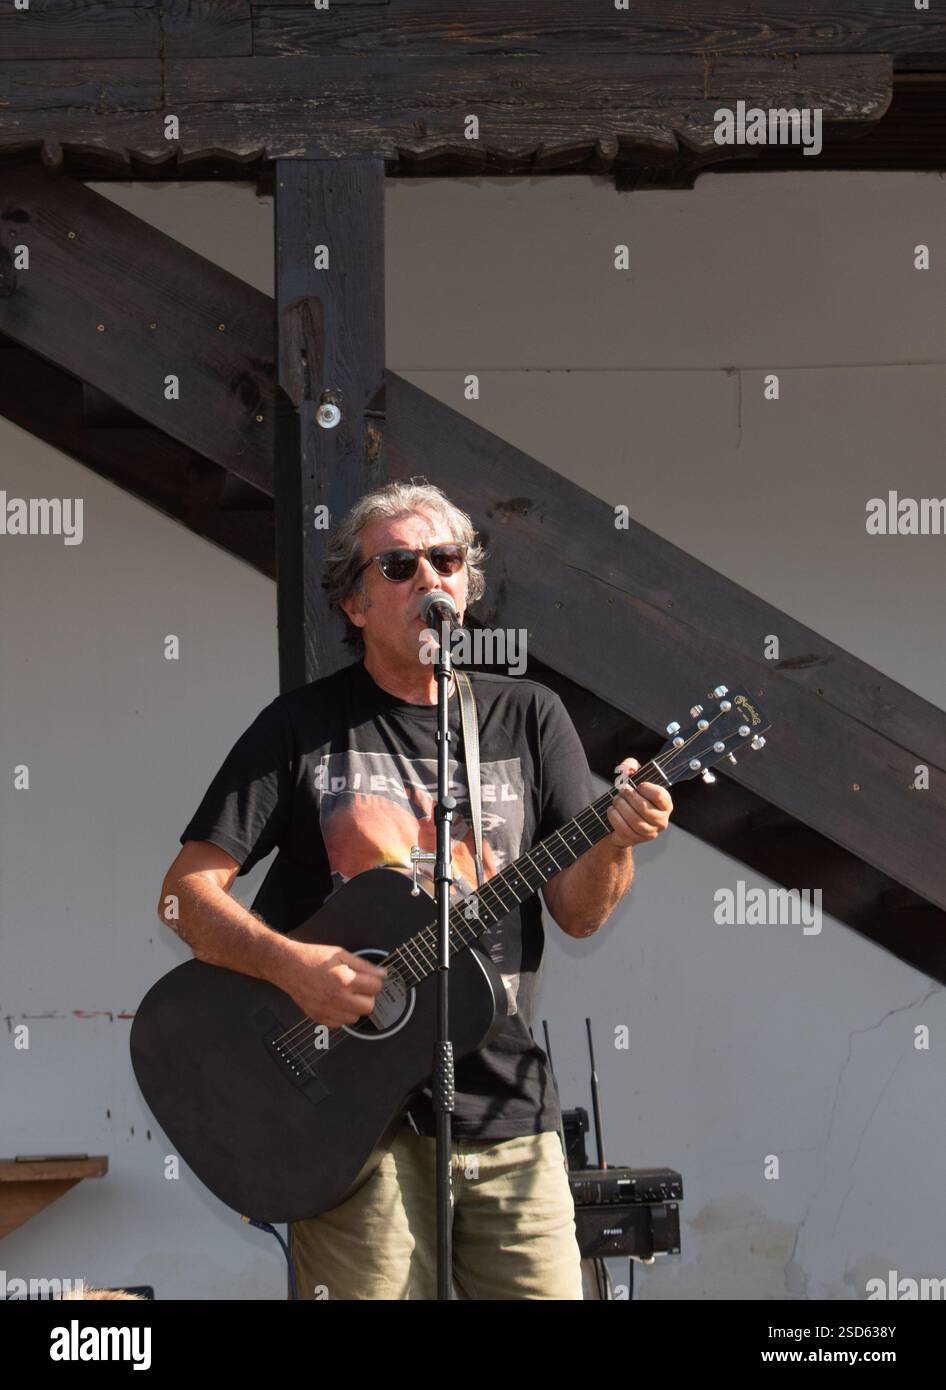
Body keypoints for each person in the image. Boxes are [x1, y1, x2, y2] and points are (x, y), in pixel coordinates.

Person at [157, 478, 673, 1300]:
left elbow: (580, 914)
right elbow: (185, 895)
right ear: (355, 603)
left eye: (446, 560)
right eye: (399, 565)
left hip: (509, 1110)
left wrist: (618, 839)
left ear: (467, 584)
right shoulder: (300, 729)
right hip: (346, 1123)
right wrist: (292, 968)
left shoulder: (530, 717)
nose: (429, 578)